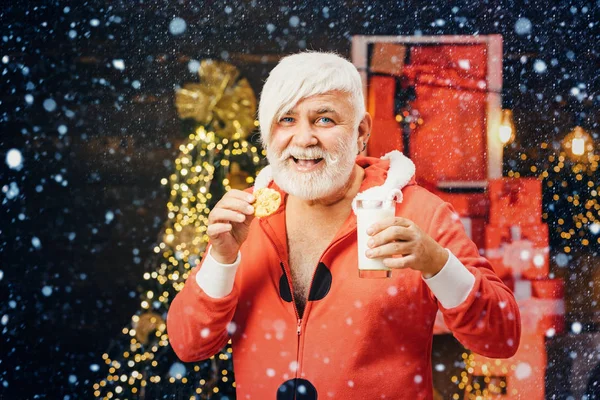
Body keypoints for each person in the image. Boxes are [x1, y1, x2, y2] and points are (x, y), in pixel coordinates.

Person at [167, 51, 521, 399]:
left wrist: (437, 264)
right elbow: (189, 344)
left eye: (324, 120)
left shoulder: (418, 213)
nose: (304, 138)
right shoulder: (247, 218)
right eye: (286, 120)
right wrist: (221, 259)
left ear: (361, 130)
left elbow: (502, 337)